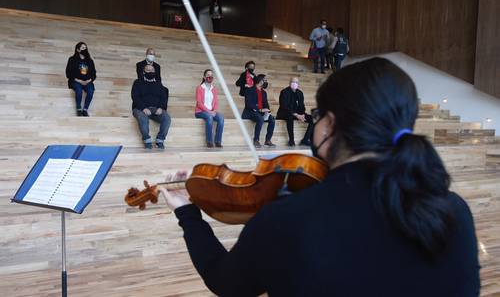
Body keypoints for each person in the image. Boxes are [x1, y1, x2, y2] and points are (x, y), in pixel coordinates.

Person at [161, 58, 480, 296]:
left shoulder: (286, 220)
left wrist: (187, 212)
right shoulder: (455, 211)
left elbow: (225, 283)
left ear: (327, 125)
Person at [131, 64, 171, 149]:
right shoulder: (137, 82)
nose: (150, 72)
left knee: (167, 118)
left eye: (152, 70)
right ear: (144, 72)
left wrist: (161, 107)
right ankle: (147, 140)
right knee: (143, 118)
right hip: (140, 109)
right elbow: (135, 97)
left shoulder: (159, 84)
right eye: (148, 70)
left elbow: (164, 98)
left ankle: (160, 140)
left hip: (156, 109)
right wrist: (143, 108)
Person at [277, 77, 313, 147]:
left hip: (297, 114)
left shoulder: (300, 93)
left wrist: (302, 114)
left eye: (296, 82)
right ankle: (291, 140)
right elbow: (284, 106)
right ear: (289, 83)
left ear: (298, 84)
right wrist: (296, 115)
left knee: (313, 118)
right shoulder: (284, 92)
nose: (294, 84)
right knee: (290, 117)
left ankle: (305, 140)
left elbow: (302, 106)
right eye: (293, 82)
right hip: (284, 113)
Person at [242, 74, 275, 148]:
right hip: (250, 112)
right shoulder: (249, 90)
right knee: (260, 118)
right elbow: (248, 104)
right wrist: (260, 109)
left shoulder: (264, 92)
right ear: (260, 81)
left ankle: (268, 140)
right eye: (265, 80)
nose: (266, 82)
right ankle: (256, 140)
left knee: (272, 119)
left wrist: (267, 110)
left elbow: (266, 104)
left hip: (260, 112)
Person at [65, 42, 96, 116]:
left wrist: (90, 80)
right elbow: (68, 73)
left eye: (85, 48)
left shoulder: (90, 61)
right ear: (78, 49)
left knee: (91, 91)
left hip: (87, 82)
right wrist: (78, 80)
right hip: (76, 81)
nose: (85, 49)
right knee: (79, 90)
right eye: (83, 48)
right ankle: (78, 109)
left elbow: (94, 74)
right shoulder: (72, 59)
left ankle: (85, 109)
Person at [195, 69, 224, 148]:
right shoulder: (200, 88)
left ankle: (218, 141)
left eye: (211, 75)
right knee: (209, 117)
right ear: (204, 77)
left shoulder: (213, 89)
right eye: (208, 75)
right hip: (200, 111)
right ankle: (209, 141)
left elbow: (216, 102)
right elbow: (199, 103)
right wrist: (209, 112)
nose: (210, 76)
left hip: (211, 111)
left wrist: (214, 111)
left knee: (221, 118)